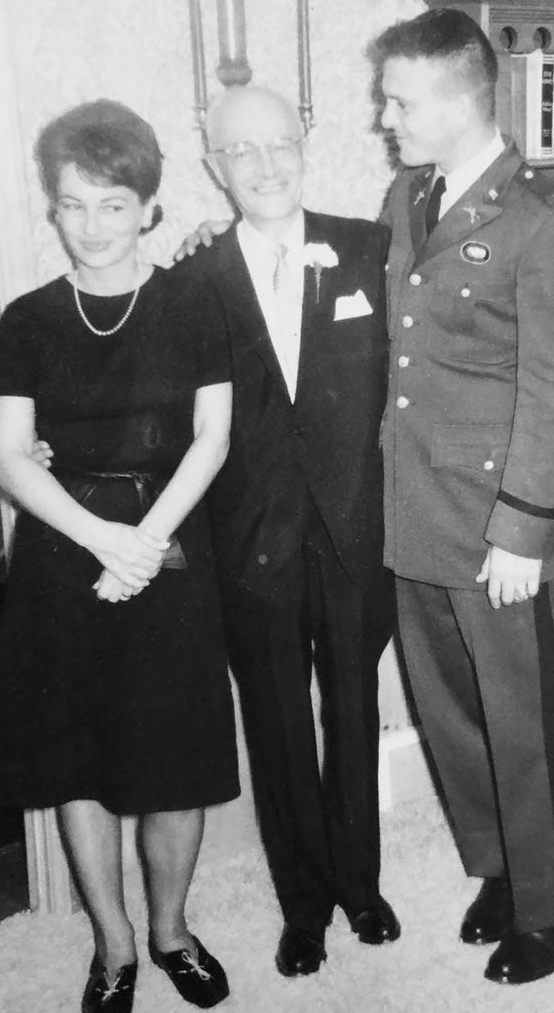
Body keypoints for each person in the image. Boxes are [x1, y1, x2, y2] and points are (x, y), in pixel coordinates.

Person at [0, 99, 238, 1013]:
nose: (92, 225)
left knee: (177, 760)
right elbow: (9, 454)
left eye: (112, 204)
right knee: (78, 762)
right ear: (54, 207)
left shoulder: (196, 304)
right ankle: (114, 945)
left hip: (169, 545)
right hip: (64, 553)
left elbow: (212, 438)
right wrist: (103, 540)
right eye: (73, 203)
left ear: (148, 208)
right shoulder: (30, 320)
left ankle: (171, 931)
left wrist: (147, 538)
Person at [370, 8, 554, 985]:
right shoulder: (406, 194)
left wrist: (524, 532)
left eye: (400, 100)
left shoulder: (544, 218)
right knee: (454, 712)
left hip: (504, 519)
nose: (386, 117)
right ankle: (502, 868)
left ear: (463, 100)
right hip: (419, 504)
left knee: (528, 716)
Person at [174, 84, 400, 978]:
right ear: (214, 168)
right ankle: (303, 909)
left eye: (279, 145)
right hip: (252, 546)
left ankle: (362, 886)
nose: (265, 166)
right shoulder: (190, 281)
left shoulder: (371, 250)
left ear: (305, 143)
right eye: (242, 152)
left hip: (353, 532)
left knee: (355, 712)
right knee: (276, 729)